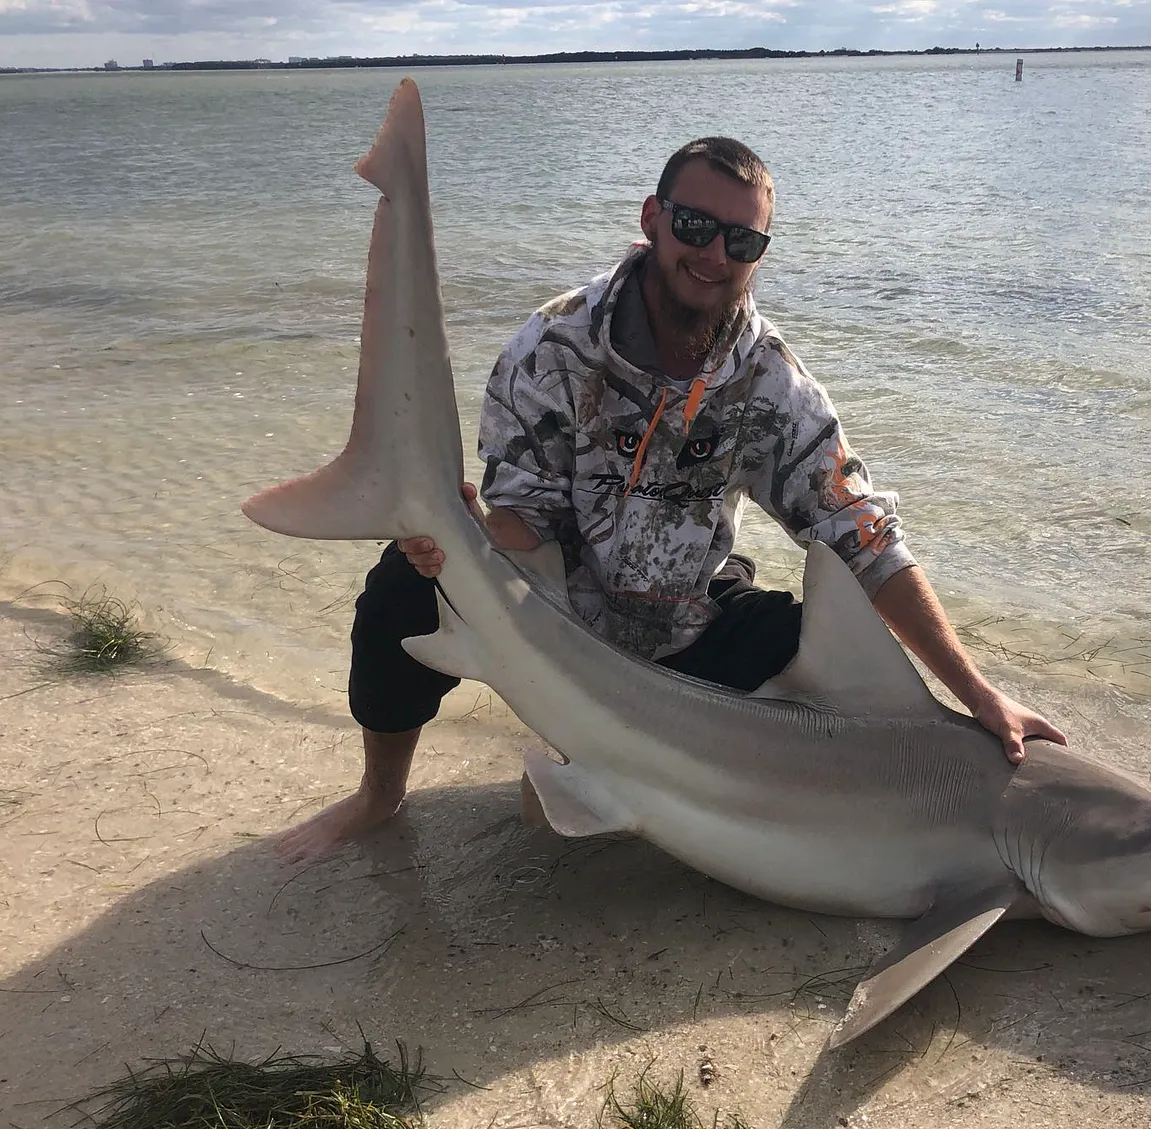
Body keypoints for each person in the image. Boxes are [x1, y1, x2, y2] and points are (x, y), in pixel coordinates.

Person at [276, 136, 1066, 863]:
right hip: (561, 614)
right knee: (403, 589)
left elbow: (862, 536)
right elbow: (526, 523)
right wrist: (463, 535)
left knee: (830, 661)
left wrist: (977, 693)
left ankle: (646, 774)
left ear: (759, 253)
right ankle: (380, 796)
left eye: (742, 241)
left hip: (690, 617)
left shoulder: (769, 382)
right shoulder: (553, 349)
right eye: (693, 224)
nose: (713, 253)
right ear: (653, 218)